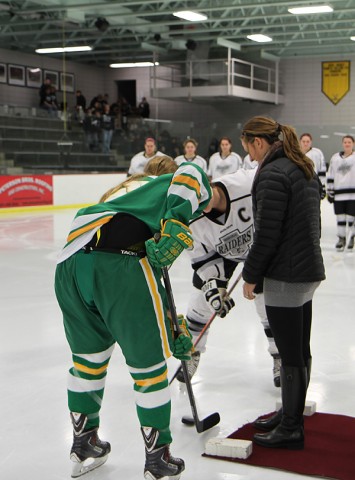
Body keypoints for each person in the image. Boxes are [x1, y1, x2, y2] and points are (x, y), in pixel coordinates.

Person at [54, 158, 212, 479]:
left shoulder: (119, 191)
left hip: (70, 264)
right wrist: (177, 219)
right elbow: (195, 174)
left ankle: (84, 442)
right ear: (164, 173)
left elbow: (151, 286)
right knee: (148, 368)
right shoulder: (163, 185)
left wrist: (169, 327)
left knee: (88, 359)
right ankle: (158, 458)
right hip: (121, 265)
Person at [240, 116, 325, 450]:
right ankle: (291, 414)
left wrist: (251, 275)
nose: (248, 153)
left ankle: (291, 428)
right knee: (299, 350)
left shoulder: (273, 173)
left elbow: (267, 234)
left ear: (258, 142)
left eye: (247, 145)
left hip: (286, 276)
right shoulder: (300, 167)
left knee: (290, 355)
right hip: (306, 272)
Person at [176, 169, 281, 387]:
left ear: (210, 183)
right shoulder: (191, 220)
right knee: (200, 302)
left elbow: (276, 180)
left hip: (262, 247)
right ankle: (191, 352)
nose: (200, 205)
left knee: (267, 302)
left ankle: (281, 356)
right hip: (222, 254)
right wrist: (212, 286)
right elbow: (201, 258)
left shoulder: (246, 183)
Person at [326, 135, 355, 251]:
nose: (347, 144)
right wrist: (330, 191)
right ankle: (341, 238)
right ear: (342, 143)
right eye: (345, 142)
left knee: (351, 218)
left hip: (353, 194)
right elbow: (331, 175)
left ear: (353, 144)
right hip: (339, 194)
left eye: (349, 142)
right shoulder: (335, 158)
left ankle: (352, 237)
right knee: (340, 218)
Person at [299, 133, 327, 198]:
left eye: (308, 141)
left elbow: (322, 170)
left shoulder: (317, 153)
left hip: (314, 185)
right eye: (303, 141)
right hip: (299, 186)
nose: (305, 144)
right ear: (300, 142)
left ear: (311, 142)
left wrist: (322, 186)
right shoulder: (295, 154)